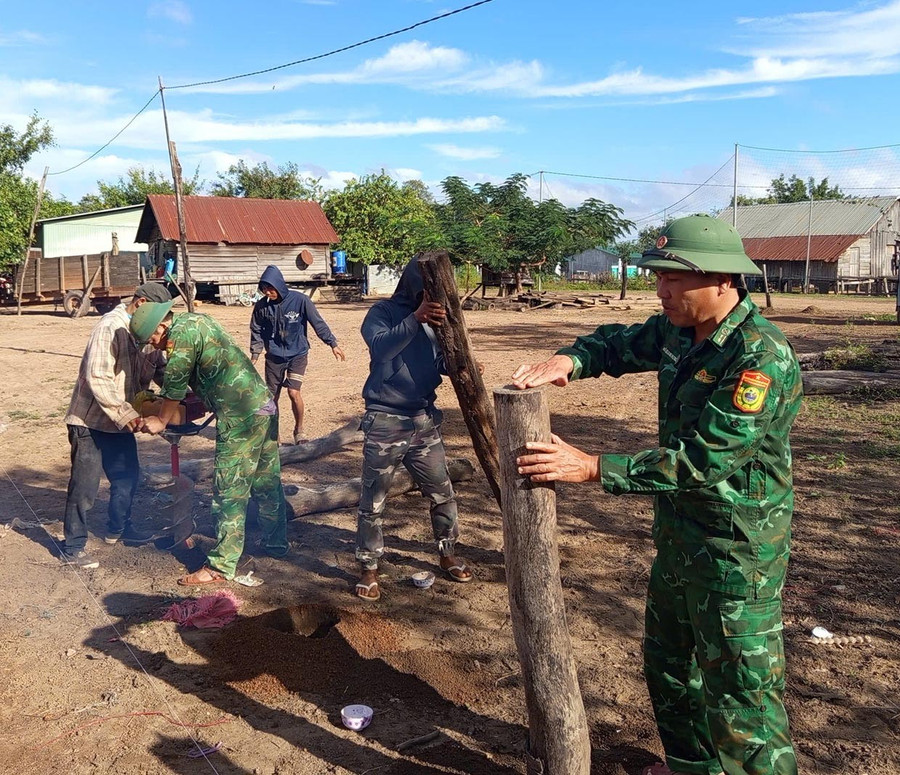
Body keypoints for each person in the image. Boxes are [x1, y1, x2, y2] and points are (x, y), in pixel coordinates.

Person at [512, 214, 802, 775]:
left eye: (676, 279)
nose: (662, 290)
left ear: (723, 281)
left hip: (736, 554)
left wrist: (594, 467)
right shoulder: (677, 330)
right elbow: (619, 344)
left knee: (742, 699)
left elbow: (707, 459)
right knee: (669, 669)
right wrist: (571, 359)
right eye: (659, 276)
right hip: (679, 540)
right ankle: (694, 769)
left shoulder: (759, 357)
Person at [131, 301, 287, 585]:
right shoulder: (197, 320)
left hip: (240, 415)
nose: (152, 345)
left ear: (162, 326)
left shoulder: (179, 339)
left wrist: (160, 420)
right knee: (266, 480)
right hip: (262, 403)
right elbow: (210, 369)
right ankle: (277, 543)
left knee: (229, 490)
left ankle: (220, 565)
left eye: (151, 339)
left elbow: (175, 385)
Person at [355, 256, 473, 601]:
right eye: (424, 289)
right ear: (411, 285)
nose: (429, 296)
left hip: (423, 420)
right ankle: (369, 568)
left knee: (442, 492)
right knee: (373, 502)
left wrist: (459, 364)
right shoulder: (382, 313)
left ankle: (447, 552)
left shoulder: (433, 320)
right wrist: (414, 319)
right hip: (385, 421)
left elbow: (436, 359)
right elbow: (381, 348)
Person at [61, 282, 171, 568]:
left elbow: (160, 369)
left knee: (127, 480)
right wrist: (128, 416)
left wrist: (181, 394)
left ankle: (120, 530)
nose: (161, 326)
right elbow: (98, 377)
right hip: (90, 421)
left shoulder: (146, 331)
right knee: (84, 487)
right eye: (159, 317)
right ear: (142, 303)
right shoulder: (109, 327)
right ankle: (73, 545)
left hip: (121, 423)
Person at [250, 265, 345, 444]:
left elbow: (318, 322)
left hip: (298, 354)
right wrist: (256, 352)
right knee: (271, 398)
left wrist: (332, 343)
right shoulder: (262, 306)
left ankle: (299, 431)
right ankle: (273, 435)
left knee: (294, 392)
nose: (268, 292)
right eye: (264, 289)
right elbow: (256, 329)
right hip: (274, 357)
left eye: (270, 288)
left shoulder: (300, 300)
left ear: (279, 285)